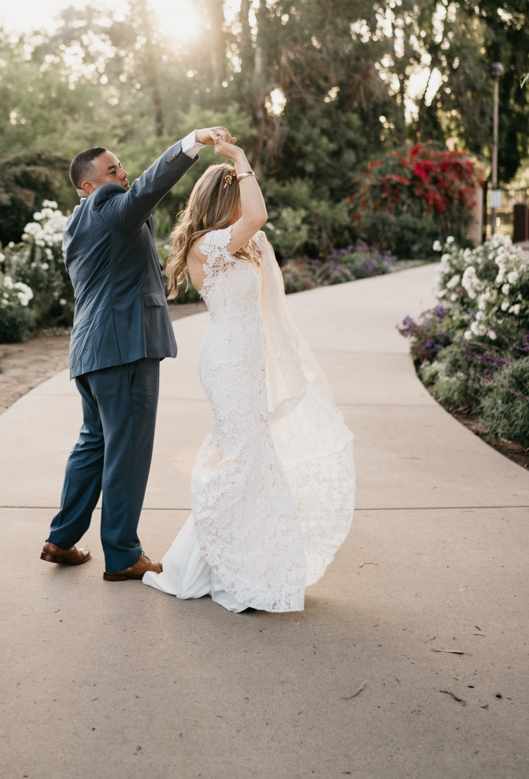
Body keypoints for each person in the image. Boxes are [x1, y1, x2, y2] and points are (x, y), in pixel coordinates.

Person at [143, 137, 356, 612]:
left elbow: (259, 244)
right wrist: (239, 159)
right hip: (227, 361)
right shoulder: (208, 244)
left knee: (250, 457)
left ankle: (241, 560)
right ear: (227, 199)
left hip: (246, 358)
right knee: (239, 458)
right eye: (239, 192)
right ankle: (226, 564)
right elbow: (257, 215)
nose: (245, 201)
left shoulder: (239, 246)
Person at [40, 126, 235, 582]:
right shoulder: (105, 207)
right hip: (123, 347)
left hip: (93, 351)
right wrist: (190, 143)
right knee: (127, 451)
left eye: (121, 165)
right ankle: (124, 554)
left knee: (95, 444)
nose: (123, 173)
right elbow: (147, 189)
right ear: (89, 187)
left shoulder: (78, 222)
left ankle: (61, 538)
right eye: (112, 170)